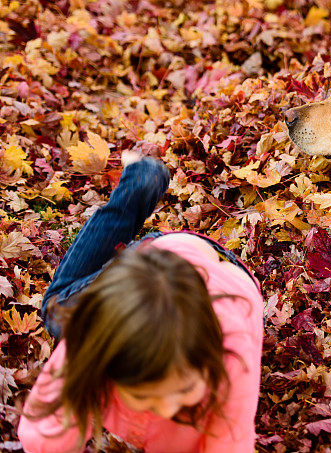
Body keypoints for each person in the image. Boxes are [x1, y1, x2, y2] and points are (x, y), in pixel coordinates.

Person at [18, 153, 264, 452]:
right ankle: (141, 182)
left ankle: (138, 188)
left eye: (185, 389)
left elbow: (230, 440)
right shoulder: (92, 339)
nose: (167, 408)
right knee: (59, 313)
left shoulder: (232, 350)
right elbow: (47, 430)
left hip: (222, 271)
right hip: (152, 263)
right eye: (145, 397)